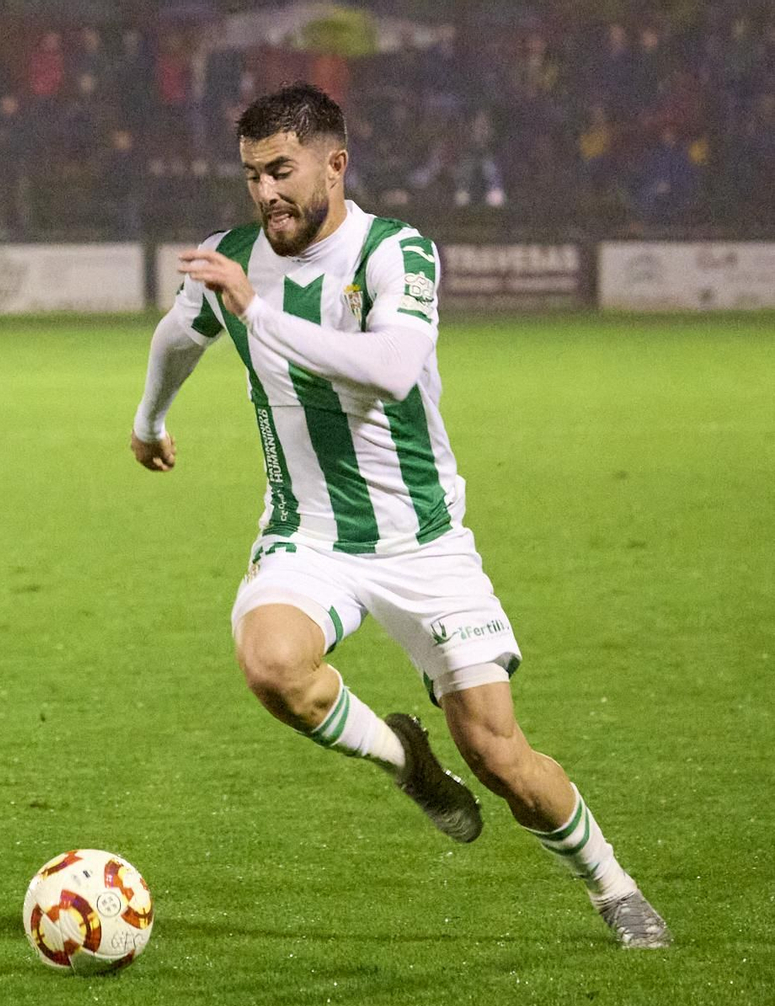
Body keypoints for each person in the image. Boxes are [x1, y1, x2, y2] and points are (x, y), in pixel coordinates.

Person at [130, 83, 668, 948]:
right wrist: (149, 419)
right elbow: (177, 334)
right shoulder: (233, 257)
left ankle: (614, 887)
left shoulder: (394, 251)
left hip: (423, 543)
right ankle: (406, 760)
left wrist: (256, 313)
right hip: (307, 535)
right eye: (252, 175)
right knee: (272, 665)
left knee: (500, 756)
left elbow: (388, 368)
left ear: (335, 165)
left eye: (282, 170)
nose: (266, 192)